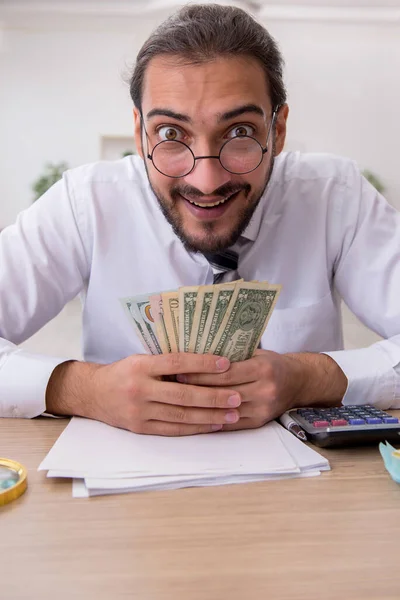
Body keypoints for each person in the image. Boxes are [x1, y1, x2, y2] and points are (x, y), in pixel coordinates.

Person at [1, 4, 399, 435]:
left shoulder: (334, 195)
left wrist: (308, 378)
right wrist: (84, 388)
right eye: (172, 134)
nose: (206, 181)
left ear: (277, 130)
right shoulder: (84, 204)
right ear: (139, 134)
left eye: (240, 132)